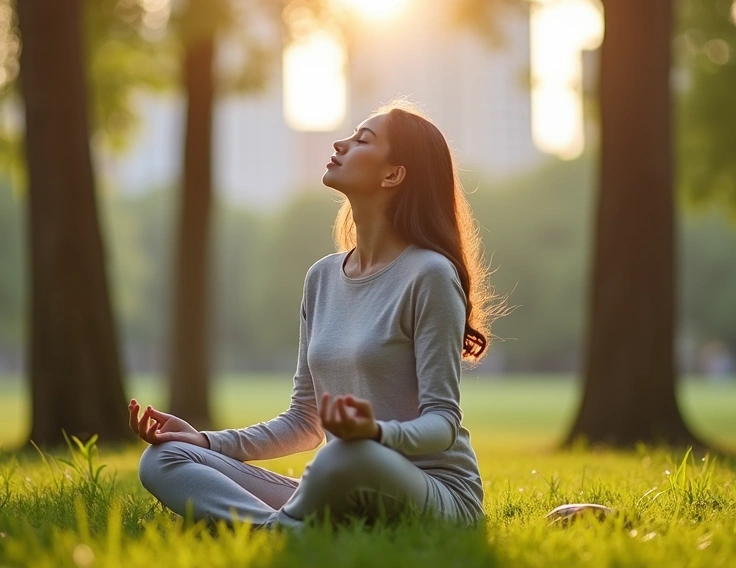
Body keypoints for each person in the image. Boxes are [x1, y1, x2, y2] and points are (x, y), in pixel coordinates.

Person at [129, 101, 501, 528]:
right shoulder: (322, 277)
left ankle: (282, 529)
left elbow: (443, 422)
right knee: (164, 457)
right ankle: (281, 531)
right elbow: (304, 422)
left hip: (434, 493)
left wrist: (375, 434)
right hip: (344, 478)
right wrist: (206, 440)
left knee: (344, 455)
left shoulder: (429, 274)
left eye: (362, 140)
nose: (341, 144)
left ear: (393, 174)